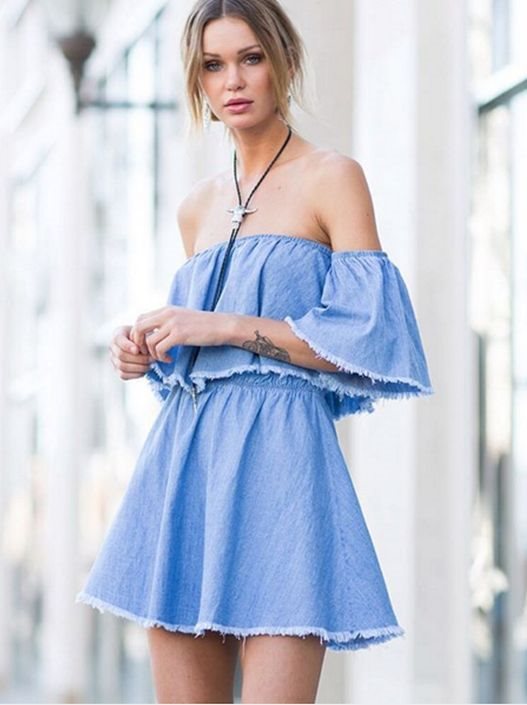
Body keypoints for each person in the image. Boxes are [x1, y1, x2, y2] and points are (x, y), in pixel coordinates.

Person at [75, 0, 434, 702]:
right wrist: (148, 350)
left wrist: (225, 326)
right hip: (186, 466)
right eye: (213, 65)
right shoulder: (195, 207)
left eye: (250, 58)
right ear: (198, 81)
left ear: (283, 62)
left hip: (284, 465)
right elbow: (201, 359)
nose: (233, 80)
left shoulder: (332, 177)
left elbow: (364, 343)